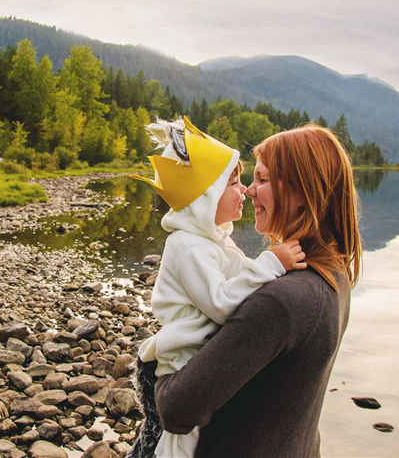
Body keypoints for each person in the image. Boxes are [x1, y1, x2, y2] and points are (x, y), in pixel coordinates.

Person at [154, 124, 362, 458]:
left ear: (301, 193)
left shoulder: (281, 302)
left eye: (262, 180)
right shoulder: (333, 275)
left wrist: (158, 378)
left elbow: (176, 409)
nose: (249, 191)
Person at [129, 117, 307, 458]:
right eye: (234, 183)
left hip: (198, 352)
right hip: (181, 360)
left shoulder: (214, 240)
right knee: (181, 443)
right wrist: (272, 262)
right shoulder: (188, 247)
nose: (244, 191)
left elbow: (240, 278)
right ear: (205, 197)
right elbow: (223, 303)